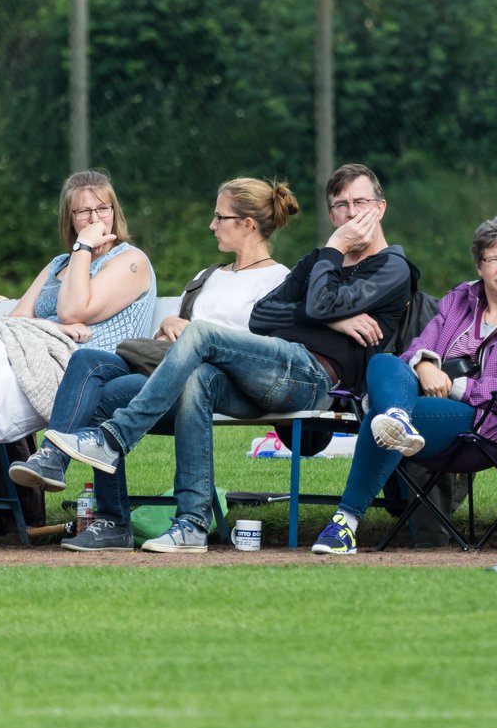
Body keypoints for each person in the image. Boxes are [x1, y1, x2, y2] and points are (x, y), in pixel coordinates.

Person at [46, 163, 413, 554]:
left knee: (201, 333)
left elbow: (314, 302)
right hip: (265, 376)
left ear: (381, 208)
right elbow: (264, 314)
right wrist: (337, 317)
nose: (351, 213)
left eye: (360, 203)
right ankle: (191, 524)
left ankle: (114, 437)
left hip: (314, 379)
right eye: (341, 205)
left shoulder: (391, 267)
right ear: (331, 213)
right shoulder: (319, 261)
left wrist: (332, 268)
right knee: (197, 379)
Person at [7, 177, 297, 551]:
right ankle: (54, 460)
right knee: (88, 360)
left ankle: (110, 518)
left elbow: (262, 352)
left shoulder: (277, 279)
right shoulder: (206, 277)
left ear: (247, 224)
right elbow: (164, 343)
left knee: (105, 397)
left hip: (216, 384)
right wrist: (169, 325)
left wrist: (195, 332)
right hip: (166, 374)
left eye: (219, 217)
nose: (211, 225)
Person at [0, 169, 155, 549]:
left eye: (101, 209)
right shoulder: (58, 265)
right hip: (36, 366)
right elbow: (17, 320)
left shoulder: (130, 260)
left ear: (115, 212)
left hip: (85, 375)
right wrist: (56, 323)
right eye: (82, 213)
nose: (93, 219)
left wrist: (83, 250)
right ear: (68, 220)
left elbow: (75, 310)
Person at [307, 216, 497, 555]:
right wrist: (425, 364)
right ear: (479, 265)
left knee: (379, 420)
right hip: (429, 409)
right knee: (386, 361)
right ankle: (396, 414)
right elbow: (416, 348)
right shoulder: (460, 301)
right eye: (493, 259)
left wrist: (458, 387)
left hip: (490, 424)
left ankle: (346, 523)